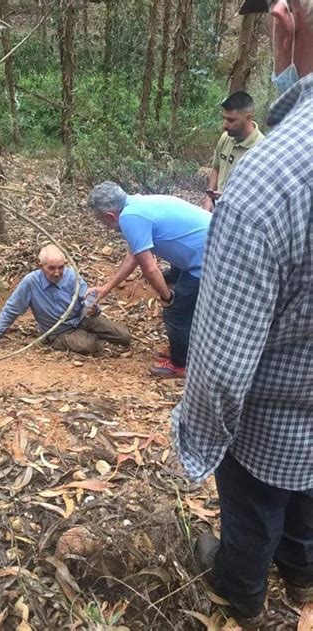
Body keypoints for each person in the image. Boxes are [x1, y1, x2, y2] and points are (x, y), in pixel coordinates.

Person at [172, 0, 313, 627]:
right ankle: (303, 580)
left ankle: (241, 596)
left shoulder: (268, 178)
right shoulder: (253, 164)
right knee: (306, 503)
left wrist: (195, 435)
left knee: (252, 514)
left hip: (269, 419)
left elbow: (223, 369)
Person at [87, 182, 211, 378]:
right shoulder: (137, 204)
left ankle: (181, 365)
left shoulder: (130, 218)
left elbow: (150, 268)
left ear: (110, 216)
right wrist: (106, 288)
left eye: (105, 223)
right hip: (200, 249)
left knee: (176, 311)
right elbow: (134, 255)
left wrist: (167, 297)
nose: (109, 228)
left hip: (208, 258)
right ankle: (184, 347)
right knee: (180, 297)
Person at [0, 245, 131, 355]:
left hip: (82, 319)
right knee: (90, 345)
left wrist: (93, 309)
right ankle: (61, 342)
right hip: (59, 331)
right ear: (41, 266)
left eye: (61, 267)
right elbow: (12, 309)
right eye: (51, 268)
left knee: (124, 337)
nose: (57, 272)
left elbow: (87, 300)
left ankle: (89, 336)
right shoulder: (31, 282)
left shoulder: (71, 276)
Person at [202, 91, 264, 212]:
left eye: (231, 120)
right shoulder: (226, 138)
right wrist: (208, 199)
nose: (224, 125)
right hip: (217, 208)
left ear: (248, 118)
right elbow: (216, 167)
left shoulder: (262, 149)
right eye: (224, 118)